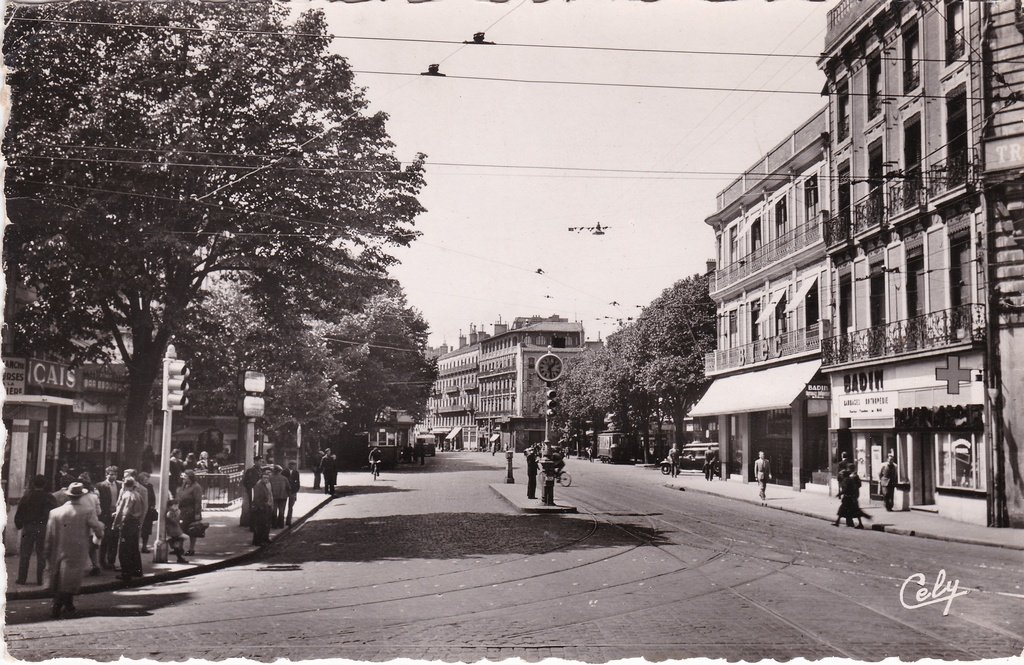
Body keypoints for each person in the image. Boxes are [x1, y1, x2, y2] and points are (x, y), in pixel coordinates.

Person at [45, 482, 104, 619]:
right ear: (81, 495)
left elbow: (49, 535)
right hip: (77, 551)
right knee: (70, 581)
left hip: (58, 550)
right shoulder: (87, 511)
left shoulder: (55, 512)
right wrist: (99, 535)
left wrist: (46, 551)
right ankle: (59, 606)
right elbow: (97, 528)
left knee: (61, 579)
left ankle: (66, 605)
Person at [15, 474, 57, 586]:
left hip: (28, 527)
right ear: (44, 484)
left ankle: (22, 579)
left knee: (25, 554)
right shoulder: (49, 497)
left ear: (33, 484)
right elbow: (53, 513)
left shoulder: (27, 496)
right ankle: (40, 579)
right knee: (41, 554)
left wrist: (19, 524)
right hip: (42, 527)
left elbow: (19, 512)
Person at [112, 476, 144, 581]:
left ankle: (126, 573)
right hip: (135, 523)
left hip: (127, 524)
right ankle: (137, 570)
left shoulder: (127, 495)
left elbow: (124, 512)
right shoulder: (138, 495)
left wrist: (116, 524)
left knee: (124, 550)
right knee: (134, 548)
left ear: (124, 485)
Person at [76, 473, 103, 576]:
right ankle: (95, 566)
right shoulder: (94, 497)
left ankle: (79, 567)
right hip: (92, 525)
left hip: (80, 525)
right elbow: (99, 511)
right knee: (92, 547)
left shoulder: (77, 497)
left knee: (80, 547)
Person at [95, 466, 121, 569]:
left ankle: (111, 561)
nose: (113, 476)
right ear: (106, 475)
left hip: (116, 515)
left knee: (114, 539)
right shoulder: (100, 486)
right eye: (111, 474)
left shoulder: (120, 485)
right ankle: (102, 562)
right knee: (105, 539)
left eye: (115, 474)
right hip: (105, 516)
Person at [177, 470, 204, 556]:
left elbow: (198, 501)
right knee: (181, 529)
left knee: (192, 530)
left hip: (191, 511)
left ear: (190, 478)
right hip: (182, 511)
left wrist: (197, 513)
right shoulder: (184, 485)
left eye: (185, 476)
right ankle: (180, 548)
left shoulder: (196, 487)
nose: (183, 478)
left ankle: (191, 549)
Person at [251, 467, 274, 546]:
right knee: (260, 525)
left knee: (265, 525)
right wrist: (263, 506)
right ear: (261, 478)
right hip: (260, 509)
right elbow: (257, 499)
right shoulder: (258, 485)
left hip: (265, 508)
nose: (266, 479)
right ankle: (257, 541)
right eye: (264, 478)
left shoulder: (264, 485)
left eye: (267, 478)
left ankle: (264, 539)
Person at [137, 471, 158, 553]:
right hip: (139, 510)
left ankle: (144, 546)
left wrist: (152, 505)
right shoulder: (137, 487)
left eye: (147, 479)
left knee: (146, 530)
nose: (147, 481)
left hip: (148, 511)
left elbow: (153, 497)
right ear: (140, 480)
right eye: (145, 480)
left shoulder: (150, 486)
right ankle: (136, 546)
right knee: (138, 529)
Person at [163, 499, 190, 564]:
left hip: (175, 530)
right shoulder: (170, 513)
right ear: (170, 506)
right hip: (173, 530)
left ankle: (179, 556)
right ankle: (179, 555)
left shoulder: (173, 512)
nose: (176, 507)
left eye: (177, 506)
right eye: (174, 506)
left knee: (176, 545)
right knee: (185, 537)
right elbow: (174, 521)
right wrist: (178, 514)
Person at [269, 465, 290, 529]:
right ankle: (281, 525)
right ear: (280, 471)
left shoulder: (270, 478)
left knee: (274, 511)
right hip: (283, 497)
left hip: (274, 497)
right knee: (281, 511)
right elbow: (288, 487)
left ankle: (274, 525)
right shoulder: (284, 478)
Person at [283, 460, 301, 526]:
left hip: (293, 491)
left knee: (290, 507)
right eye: (292, 465)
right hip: (285, 491)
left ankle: (288, 521)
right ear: (289, 465)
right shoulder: (284, 472)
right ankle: (282, 520)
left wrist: (296, 491)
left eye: (294, 465)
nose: (293, 466)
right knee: (283, 506)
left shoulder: (296, 473)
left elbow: (298, 482)